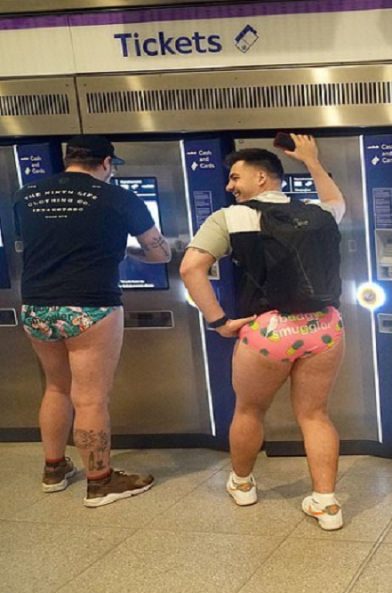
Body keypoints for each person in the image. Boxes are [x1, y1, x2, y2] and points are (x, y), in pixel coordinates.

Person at [180, 134, 348, 530]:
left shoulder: (230, 217)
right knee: (315, 415)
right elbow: (338, 202)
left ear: (261, 178)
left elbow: (190, 268)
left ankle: (242, 484)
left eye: (235, 177)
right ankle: (326, 504)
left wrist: (219, 320)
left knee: (249, 410)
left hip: (267, 331)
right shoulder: (317, 213)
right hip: (323, 326)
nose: (229, 186)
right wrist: (311, 160)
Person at [14, 135, 170, 507]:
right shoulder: (118, 198)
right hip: (92, 307)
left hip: (37, 306)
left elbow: (27, 244)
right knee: (90, 398)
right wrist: (126, 252)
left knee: (55, 388)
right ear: (105, 163)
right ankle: (100, 481)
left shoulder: (26, 195)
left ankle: (54, 469)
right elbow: (159, 252)